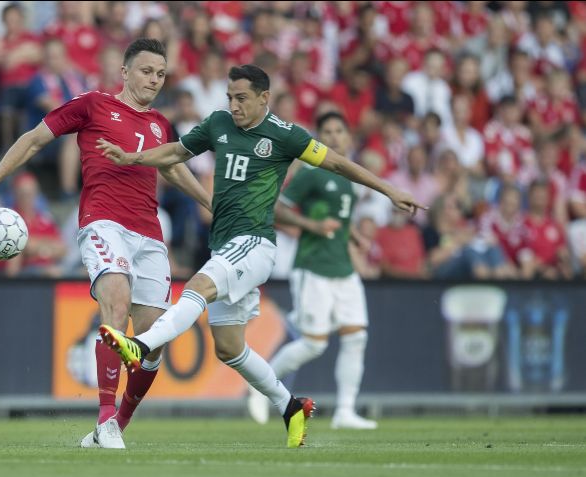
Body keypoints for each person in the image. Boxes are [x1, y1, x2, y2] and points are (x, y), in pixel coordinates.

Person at [96, 64, 424, 448]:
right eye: (230, 98)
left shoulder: (284, 135)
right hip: (225, 246)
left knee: (199, 284)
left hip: (255, 243)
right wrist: (132, 158)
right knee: (229, 347)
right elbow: (176, 151)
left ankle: (143, 344)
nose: (234, 106)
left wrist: (387, 189)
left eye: (242, 98)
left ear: (264, 98)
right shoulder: (218, 123)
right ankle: (290, 407)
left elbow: (336, 161)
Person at [0, 39, 212, 449]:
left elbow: (173, 168)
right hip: (103, 222)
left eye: (160, 74)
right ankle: (104, 418)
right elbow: (33, 139)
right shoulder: (92, 104)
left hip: (150, 234)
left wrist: (211, 203)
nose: (153, 80)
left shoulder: (159, 125)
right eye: (146, 71)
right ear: (125, 71)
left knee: (153, 342)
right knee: (116, 303)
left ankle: (115, 424)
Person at [246, 112, 377, 430]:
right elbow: (277, 208)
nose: (333, 137)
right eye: (326, 132)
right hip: (313, 268)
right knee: (314, 344)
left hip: (343, 269)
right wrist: (312, 225)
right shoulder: (309, 172)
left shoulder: (349, 176)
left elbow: (339, 218)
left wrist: (353, 235)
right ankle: (261, 388)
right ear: (319, 138)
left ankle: (345, 411)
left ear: (349, 138)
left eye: (339, 131)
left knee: (356, 337)